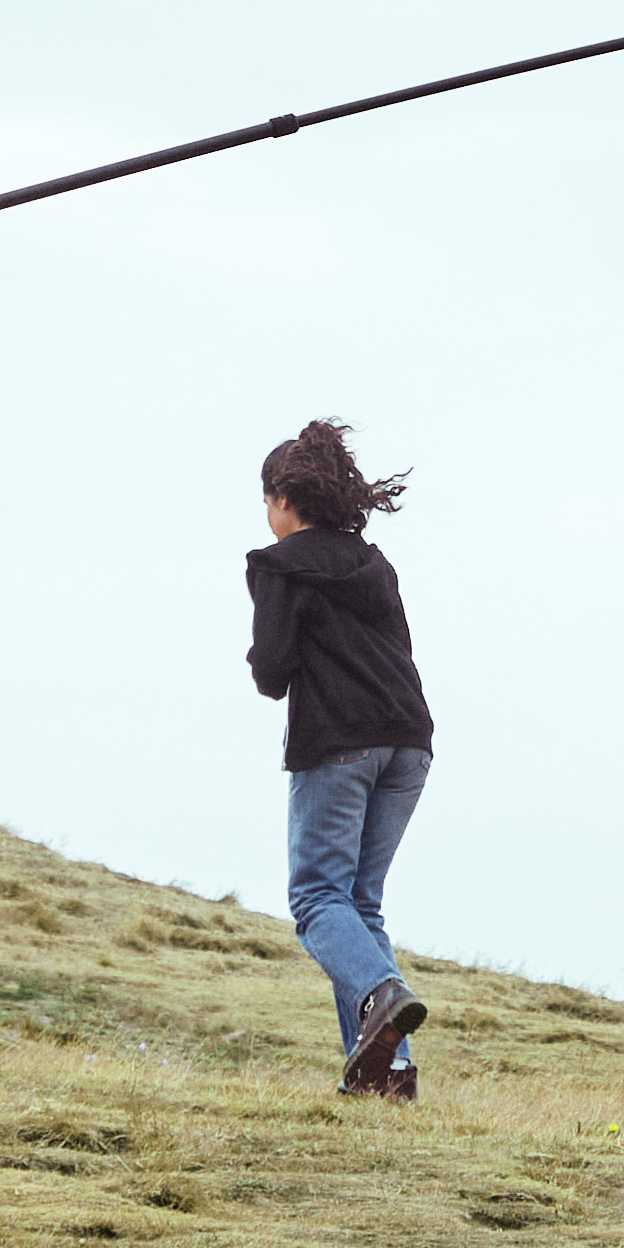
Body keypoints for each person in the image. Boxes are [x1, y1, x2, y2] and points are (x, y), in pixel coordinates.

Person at [248, 415, 438, 1102]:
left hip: (339, 742)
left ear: (284, 498)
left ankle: (383, 994)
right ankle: (387, 1076)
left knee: (317, 899)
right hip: (410, 741)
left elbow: (270, 672)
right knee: (359, 905)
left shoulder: (277, 565)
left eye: (265, 499)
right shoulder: (373, 563)